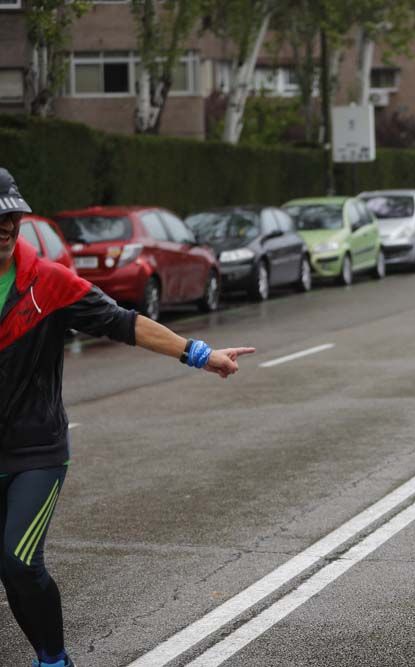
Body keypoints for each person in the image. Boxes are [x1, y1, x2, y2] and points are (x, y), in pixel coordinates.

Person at [0, 168, 255, 667]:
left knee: (19, 561)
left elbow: (123, 322)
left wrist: (198, 354)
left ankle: (53, 661)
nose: (7, 226)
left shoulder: (47, 283)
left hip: (36, 452)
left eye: (13, 217)